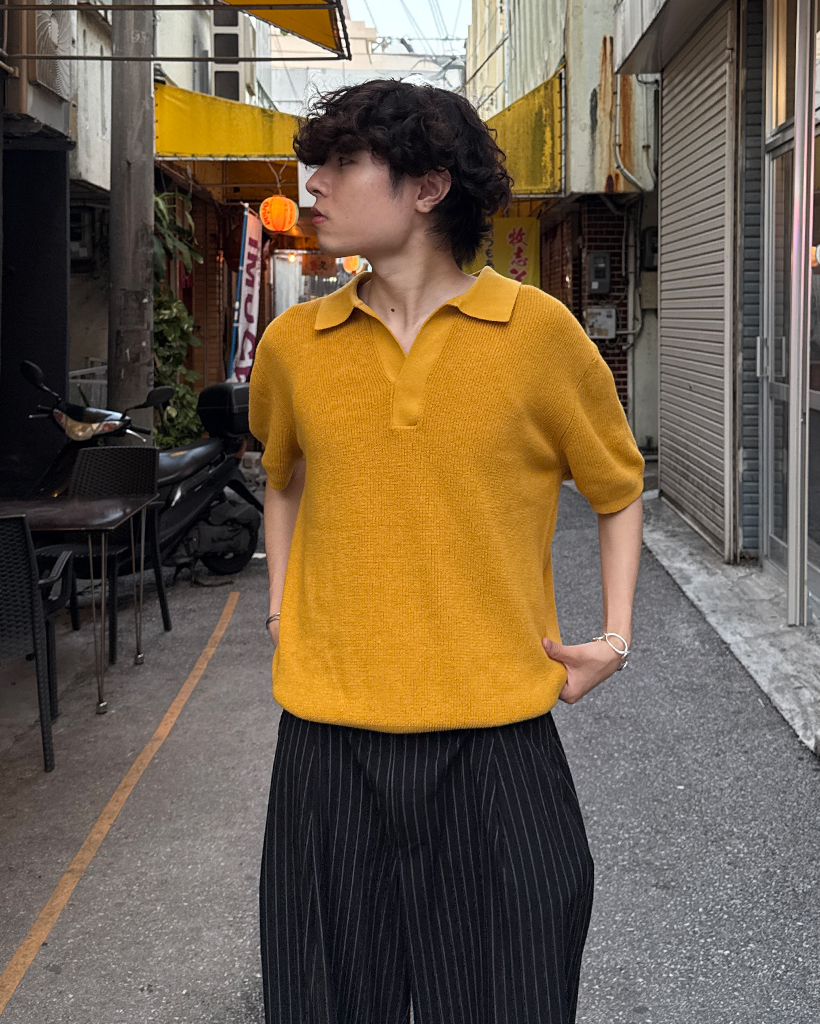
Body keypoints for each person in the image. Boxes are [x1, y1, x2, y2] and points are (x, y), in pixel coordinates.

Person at [248, 78, 644, 1024]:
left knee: (511, 997)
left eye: (343, 163)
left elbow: (618, 487)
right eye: (315, 165)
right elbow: (282, 476)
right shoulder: (295, 344)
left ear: (429, 188)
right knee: (326, 1001)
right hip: (328, 742)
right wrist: (282, 605)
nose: (315, 186)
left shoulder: (538, 334)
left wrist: (613, 638)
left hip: (497, 743)